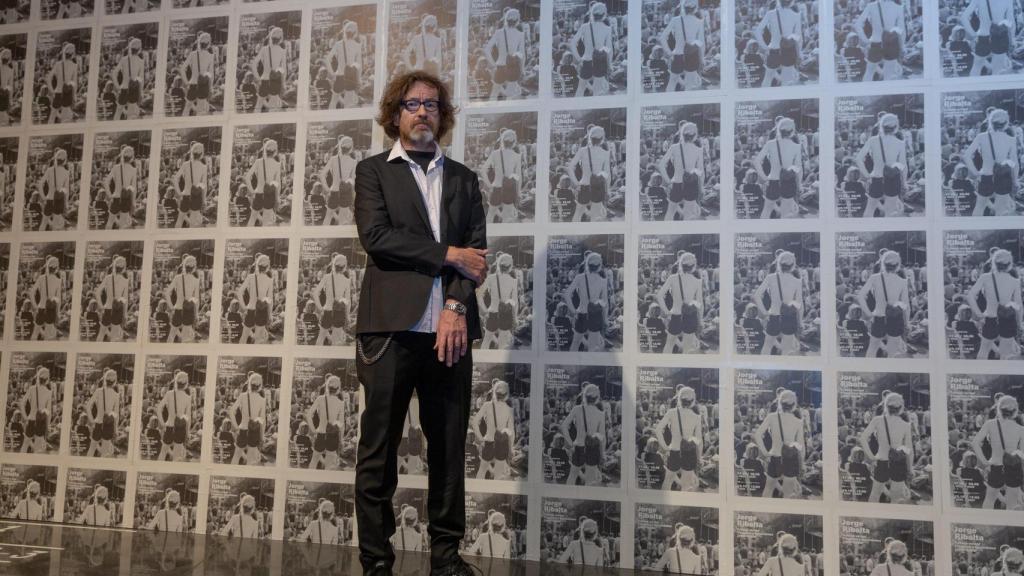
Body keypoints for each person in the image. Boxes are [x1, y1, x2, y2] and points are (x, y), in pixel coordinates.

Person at [353, 70, 486, 576]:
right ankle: (376, 563)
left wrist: (455, 307)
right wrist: (448, 253)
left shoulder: (465, 180)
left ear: (443, 114)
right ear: (395, 113)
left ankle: (446, 559)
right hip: (388, 332)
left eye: (432, 104)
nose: (423, 111)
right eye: (412, 104)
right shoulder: (373, 172)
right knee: (378, 451)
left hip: (449, 334)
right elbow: (378, 238)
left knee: (449, 450)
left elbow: (475, 261)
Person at [967, 248, 1022, 360]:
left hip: (990, 318)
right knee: (1005, 354)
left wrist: (980, 315)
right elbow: (1019, 305)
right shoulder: (1015, 281)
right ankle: (1002, 376)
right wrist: (1019, 323)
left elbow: (970, 296)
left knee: (983, 353)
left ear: (994, 262)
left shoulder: (985, 277)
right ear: (1009, 264)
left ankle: (980, 377)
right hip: (1008, 319)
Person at [962, 107, 1018, 216]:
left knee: (979, 207)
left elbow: (966, 156)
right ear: (1006, 123)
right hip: (1003, 177)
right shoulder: (1011, 140)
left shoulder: (981, 137)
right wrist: (1015, 180)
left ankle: (975, 231)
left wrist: (976, 173)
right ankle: (997, 230)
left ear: (990, 122)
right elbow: (1015, 163)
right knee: (1000, 209)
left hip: (985, 175)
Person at [972, 394, 1024, 510]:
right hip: (1013, 467)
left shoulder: (990, 424)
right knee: (1011, 504)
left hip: (995, 465)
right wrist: (1014, 452)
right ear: (1015, 410)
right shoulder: (1021, 429)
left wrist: (985, 462)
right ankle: (1008, 525)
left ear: (999, 409)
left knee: (989, 500)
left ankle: (987, 525)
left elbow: (975, 443)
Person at [861, 392, 914, 504]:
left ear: (886, 405)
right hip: (899, 463)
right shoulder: (905, 425)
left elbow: (863, 438)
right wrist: (910, 469)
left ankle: (871, 520)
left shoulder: (877, 420)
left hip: (881, 460)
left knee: (875, 495)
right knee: (896, 498)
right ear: (901, 407)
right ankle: (892, 520)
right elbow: (909, 450)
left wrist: (872, 457)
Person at [858, 250, 910, 358]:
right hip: (895, 318)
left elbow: (860, 296)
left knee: (872, 349)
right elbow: (906, 306)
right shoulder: (902, 282)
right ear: (897, 265)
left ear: (883, 263)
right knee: (892, 352)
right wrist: (907, 323)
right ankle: (887, 372)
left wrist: (869, 314)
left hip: (878, 316)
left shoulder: (874, 278)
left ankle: (868, 373)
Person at [754, 389, 805, 498]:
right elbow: (801, 446)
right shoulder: (798, 422)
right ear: (794, 404)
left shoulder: (772, 417)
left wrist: (765, 452)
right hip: (790, 459)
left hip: (775, 456)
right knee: (787, 494)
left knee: (768, 490)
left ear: (780, 403)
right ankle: (783, 513)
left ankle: (763, 514)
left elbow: (757, 434)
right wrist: (802, 463)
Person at [856, 113, 907, 217]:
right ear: (896, 127)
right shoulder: (900, 143)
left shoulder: (873, 140)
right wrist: (904, 182)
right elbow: (903, 165)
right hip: (893, 180)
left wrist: (867, 175)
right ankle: (886, 231)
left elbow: (858, 159)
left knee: (869, 211)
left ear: (881, 126)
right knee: (889, 213)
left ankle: (867, 231)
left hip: (876, 178)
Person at [754, 250, 803, 355]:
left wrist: (765, 313)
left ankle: (763, 368)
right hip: (790, 317)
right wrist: (800, 321)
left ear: (779, 263)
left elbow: (757, 295)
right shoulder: (797, 282)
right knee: (786, 350)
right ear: (793, 265)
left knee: (767, 347)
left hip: (774, 315)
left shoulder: (771, 277)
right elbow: (799, 304)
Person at [655, 385, 703, 491]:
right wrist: (699, 457)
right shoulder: (697, 417)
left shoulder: (672, 412)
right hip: (689, 453)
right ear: (693, 400)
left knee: (667, 482)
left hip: (674, 450)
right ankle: (682, 505)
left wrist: (665, 447)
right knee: (686, 485)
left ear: (679, 399)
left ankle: (664, 507)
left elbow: (658, 429)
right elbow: (699, 441)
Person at [756, 116, 803, 219]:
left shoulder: (770, 144)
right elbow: (799, 168)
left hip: (772, 180)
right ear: (792, 130)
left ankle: (762, 233)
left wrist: (764, 177)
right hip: (789, 181)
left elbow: (757, 161)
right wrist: (799, 184)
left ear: (779, 129)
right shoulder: (796, 147)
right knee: (785, 213)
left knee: (766, 211)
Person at [656, 251, 704, 353]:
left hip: (675, 314)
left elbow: (659, 295)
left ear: (680, 264)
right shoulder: (697, 281)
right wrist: (700, 319)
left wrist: (667, 312)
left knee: (669, 345)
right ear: (693, 266)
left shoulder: (673, 278)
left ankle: (665, 367)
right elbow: (700, 304)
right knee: (687, 348)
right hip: (691, 316)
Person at [658, 122, 705, 220]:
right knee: (688, 215)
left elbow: (661, 165)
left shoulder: (674, 147)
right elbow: (701, 172)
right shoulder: (698, 150)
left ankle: (666, 234)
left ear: (682, 134)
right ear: (695, 135)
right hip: (691, 184)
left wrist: (668, 181)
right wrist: (701, 188)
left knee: (670, 213)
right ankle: (684, 233)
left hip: (676, 183)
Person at [471, 378, 515, 479]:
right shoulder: (509, 410)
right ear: (506, 394)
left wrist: (481, 438)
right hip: (502, 444)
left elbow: (474, 422)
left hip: (488, 441)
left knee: (482, 471)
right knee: (498, 474)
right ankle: (493, 492)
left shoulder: (487, 405)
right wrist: (511, 448)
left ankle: (477, 494)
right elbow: (511, 432)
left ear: (494, 392)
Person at [960, 0, 1017, 76]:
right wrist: (1012, 38)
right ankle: (993, 87)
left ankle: (974, 86)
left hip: (983, 36)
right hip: (1000, 36)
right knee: (997, 70)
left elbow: (963, 17)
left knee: (976, 67)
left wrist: (973, 35)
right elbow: (1011, 21)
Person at [570, 2, 614, 96]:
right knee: (597, 90)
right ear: (604, 14)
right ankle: (595, 109)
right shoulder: (607, 29)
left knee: (580, 89)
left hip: (586, 60)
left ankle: (577, 109)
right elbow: (609, 49)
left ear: (592, 13)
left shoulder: (585, 27)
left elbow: (572, 43)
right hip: (600, 61)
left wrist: (578, 59)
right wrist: (609, 64)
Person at [855, 0, 906, 81]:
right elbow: (902, 30)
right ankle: (885, 92)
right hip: (891, 43)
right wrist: (902, 47)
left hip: (875, 42)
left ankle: (865, 92)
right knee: (888, 76)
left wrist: (866, 40)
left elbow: (857, 25)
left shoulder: (871, 6)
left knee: (869, 73)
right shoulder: (898, 8)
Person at [660, 0, 705, 91]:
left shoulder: (675, 20)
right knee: (689, 85)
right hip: (692, 55)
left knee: (672, 83)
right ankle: (685, 103)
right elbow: (701, 43)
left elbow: (662, 38)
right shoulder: (699, 22)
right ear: (695, 9)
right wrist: (702, 59)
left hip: (677, 54)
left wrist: (669, 53)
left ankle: (667, 104)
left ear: (683, 8)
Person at [756, 0, 803, 87]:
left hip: (773, 49)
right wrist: (799, 53)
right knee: (786, 81)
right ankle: (783, 99)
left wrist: (764, 46)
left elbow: (758, 31)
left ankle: (764, 99)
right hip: (788, 50)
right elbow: (798, 37)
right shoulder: (796, 16)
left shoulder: (771, 13)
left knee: (767, 79)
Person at [477, 252, 519, 349]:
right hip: (506, 314)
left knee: (486, 340)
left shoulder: (491, 278)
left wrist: (484, 310)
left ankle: (482, 363)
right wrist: (515, 317)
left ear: (498, 264)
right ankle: (498, 362)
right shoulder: (513, 281)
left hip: (492, 312)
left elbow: (479, 294)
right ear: (510, 266)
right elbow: (515, 302)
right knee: (502, 343)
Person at [480, 128, 521, 223]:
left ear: (502, 140)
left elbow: (483, 170)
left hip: (496, 187)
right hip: (509, 189)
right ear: (514, 141)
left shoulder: (495, 154)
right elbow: (519, 177)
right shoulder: (517, 156)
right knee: (506, 217)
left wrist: (490, 186)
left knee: (490, 215)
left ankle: (487, 235)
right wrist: (518, 192)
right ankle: (502, 235)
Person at [484, 8, 526, 100]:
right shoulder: (520, 34)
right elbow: (523, 55)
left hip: (500, 65)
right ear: (517, 20)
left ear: (506, 19)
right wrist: (522, 69)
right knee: (510, 94)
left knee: (494, 92)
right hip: (513, 67)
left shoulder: (499, 33)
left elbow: (486, 49)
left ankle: (490, 112)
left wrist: (493, 64)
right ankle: (506, 111)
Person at [319, 135, 358, 225]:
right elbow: (353, 179)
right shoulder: (353, 162)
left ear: (340, 146)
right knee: (342, 219)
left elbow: (322, 175)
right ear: (351, 148)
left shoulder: (333, 159)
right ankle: (339, 238)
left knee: (328, 216)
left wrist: (326, 188)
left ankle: (323, 237)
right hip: (345, 192)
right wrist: (347, 182)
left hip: (334, 190)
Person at [156, 369, 192, 462]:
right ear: (186, 383)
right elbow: (188, 418)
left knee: (163, 452)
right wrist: (187, 432)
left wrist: (162, 423)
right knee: (177, 456)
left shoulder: (169, 394)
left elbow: (158, 409)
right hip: (180, 429)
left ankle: (157, 472)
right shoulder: (188, 398)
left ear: (176, 382)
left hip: (169, 426)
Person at [85, 368, 121, 458]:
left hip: (97, 423)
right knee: (104, 453)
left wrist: (92, 420)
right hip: (108, 425)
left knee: (91, 449)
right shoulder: (116, 395)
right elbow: (116, 415)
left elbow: (88, 406)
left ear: (105, 379)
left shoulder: (98, 391)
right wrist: (116, 429)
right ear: (115, 381)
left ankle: (85, 467)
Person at [94, 255, 130, 342]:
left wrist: (101, 306)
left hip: (107, 308)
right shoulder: (125, 281)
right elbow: (125, 300)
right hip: (117, 310)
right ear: (124, 267)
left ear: (114, 265)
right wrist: (125, 314)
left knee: (101, 333)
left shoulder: (108, 278)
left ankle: (95, 352)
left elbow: (97, 292)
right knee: (114, 336)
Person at [21, 366, 53, 454]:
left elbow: (22, 403)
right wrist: (48, 426)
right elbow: (49, 411)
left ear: (38, 377)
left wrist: (25, 417)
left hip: (31, 419)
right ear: (47, 379)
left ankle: (20, 465)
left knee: (25, 445)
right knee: (38, 449)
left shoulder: (32, 389)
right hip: (41, 422)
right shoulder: (48, 392)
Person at [182, 32, 215, 116]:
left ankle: (182, 127)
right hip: (203, 85)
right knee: (200, 111)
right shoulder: (210, 56)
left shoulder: (193, 54)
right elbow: (211, 75)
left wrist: (186, 82)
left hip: (192, 83)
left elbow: (182, 69)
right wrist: (211, 88)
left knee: (187, 108)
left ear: (199, 43)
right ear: (208, 43)